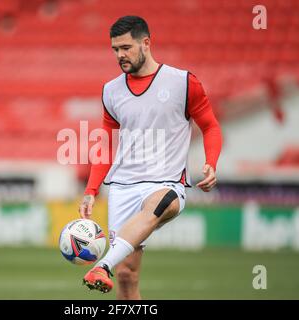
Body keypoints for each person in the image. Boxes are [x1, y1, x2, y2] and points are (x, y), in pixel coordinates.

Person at [79, 16, 222, 299]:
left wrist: (211, 161)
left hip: (166, 183)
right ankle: (110, 267)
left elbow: (210, 126)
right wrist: (91, 190)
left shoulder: (183, 82)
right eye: (115, 49)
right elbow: (106, 144)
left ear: (146, 43)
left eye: (126, 47)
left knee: (160, 204)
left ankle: (102, 264)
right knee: (126, 277)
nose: (120, 55)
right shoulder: (111, 91)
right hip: (123, 186)